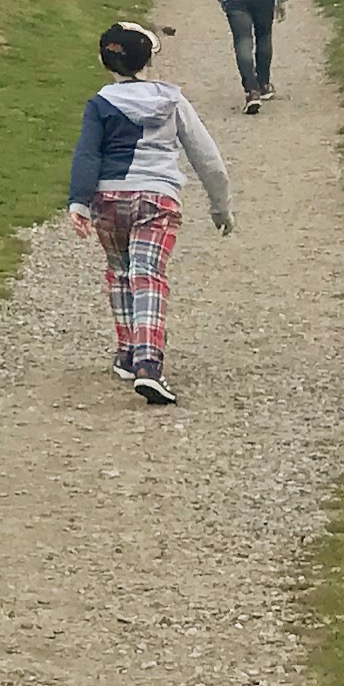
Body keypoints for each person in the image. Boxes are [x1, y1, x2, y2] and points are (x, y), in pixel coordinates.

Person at [67, 21, 232, 407]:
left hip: (108, 199)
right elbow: (206, 157)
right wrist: (220, 206)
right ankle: (148, 363)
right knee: (149, 275)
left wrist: (78, 202)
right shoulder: (172, 101)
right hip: (157, 199)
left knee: (120, 272)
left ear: (104, 61)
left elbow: (87, 155)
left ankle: (126, 351)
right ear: (149, 60)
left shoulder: (100, 103)